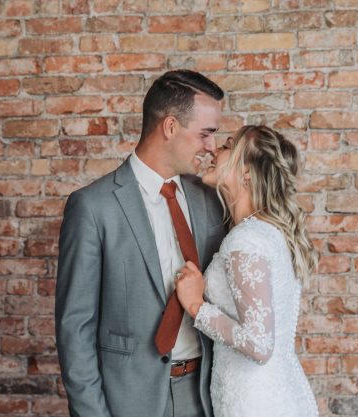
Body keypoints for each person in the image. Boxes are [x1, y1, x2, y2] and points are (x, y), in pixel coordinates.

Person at [55, 70, 227, 417]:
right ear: (170, 127)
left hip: (205, 397)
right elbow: (75, 329)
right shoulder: (92, 207)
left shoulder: (211, 200)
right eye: (206, 133)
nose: (211, 146)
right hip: (127, 403)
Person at [175, 125, 319, 417]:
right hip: (275, 392)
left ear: (247, 173)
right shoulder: (269, 232)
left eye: (228, 145)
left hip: (254, 402)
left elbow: (258, 344)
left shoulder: (247, 240)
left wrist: (195, 305)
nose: (215, 149)